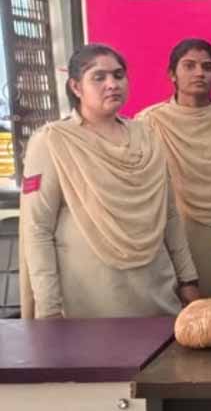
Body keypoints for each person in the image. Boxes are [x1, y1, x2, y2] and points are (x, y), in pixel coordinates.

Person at [18, 44, 199, 318]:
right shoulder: (53, 141)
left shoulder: (146, 136)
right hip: (88, 305)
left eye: (118, 75)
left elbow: (170, 214)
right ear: (76, 87)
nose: (112, 84)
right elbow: (37, 229)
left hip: (156, 294)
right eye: (99, 77)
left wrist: (188, 279)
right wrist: (49, 310)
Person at [136, 39, 211, 297]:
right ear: (172, 74)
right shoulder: (150, 122)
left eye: (207, 67)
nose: (199, 73)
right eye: (189, 66)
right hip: (175, 235)